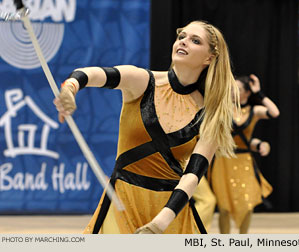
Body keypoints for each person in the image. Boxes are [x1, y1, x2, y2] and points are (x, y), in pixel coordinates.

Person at [54, 20, 240, 234]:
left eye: (195, 41)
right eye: (182, 37)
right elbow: (93, 74)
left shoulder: (211, 113)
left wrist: (159, 224)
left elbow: (192, 177)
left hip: (170, 215)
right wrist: (70, 88)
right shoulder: (143, 82)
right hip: (122, 203)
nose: (184, 42)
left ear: (209, 58)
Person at [208, 74, 280, 234]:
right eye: (232, 88)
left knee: (247, 202)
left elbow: (274, 113)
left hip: (244, 161)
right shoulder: (223, 108)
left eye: (238, 89)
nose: (233, 91)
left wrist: (259, 93)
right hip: (223, 160)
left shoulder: (254, 111)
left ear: (247, 93)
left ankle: (242, 239)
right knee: (224, 205)